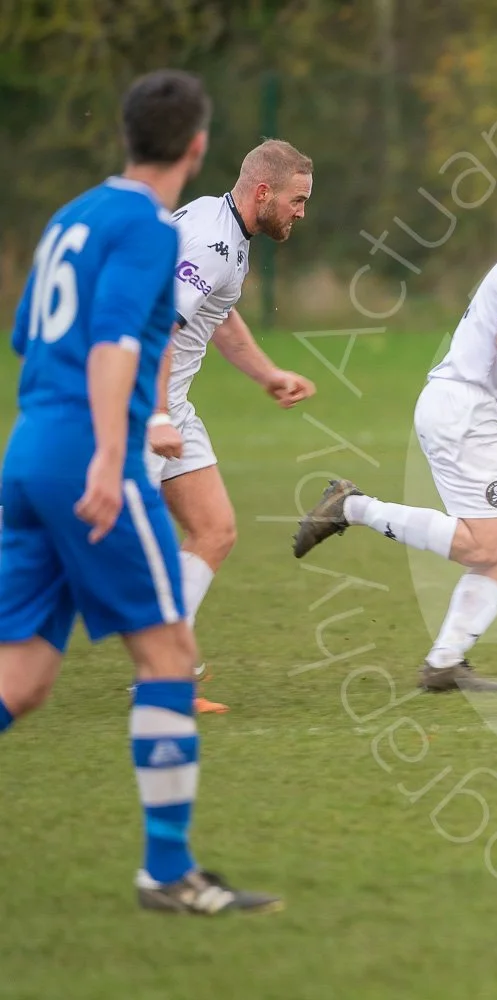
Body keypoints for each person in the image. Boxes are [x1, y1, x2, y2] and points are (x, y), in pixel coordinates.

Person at [0, 69, 281, 913]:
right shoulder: (151, 231)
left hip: (26, 451)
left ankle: (169, 870)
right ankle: (167, 871)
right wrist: (114, 451)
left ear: (128, 136)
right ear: (197, 148)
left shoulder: (70, 217)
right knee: (164, 656)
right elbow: (118, 344)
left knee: (21, 683)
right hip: (90, 457)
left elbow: (25, 336)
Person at [289, 179, 497, 692]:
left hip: (479, 411)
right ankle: (351, 507)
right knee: (483, 548)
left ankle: (444, 663)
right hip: (464, 413)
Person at [147, 139, 318, 714]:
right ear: (263, 192)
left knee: (215, 528)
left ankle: (170, 669)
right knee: (68, 543)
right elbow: (158, 326)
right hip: (138, 406)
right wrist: (157, 416)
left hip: (167, 405)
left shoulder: (220, 226)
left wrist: (267, 373)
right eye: (296, 200)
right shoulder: (214, 242)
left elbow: (216, 316)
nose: (301, 212)